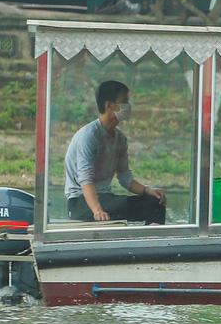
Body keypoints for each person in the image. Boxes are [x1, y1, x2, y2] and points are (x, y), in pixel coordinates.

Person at [64, 80, 166, 223]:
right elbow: (85, 180)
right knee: (124, 205)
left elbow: (124, 176)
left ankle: (152, 241)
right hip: (80, 202)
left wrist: (148, 191)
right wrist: (97, 210)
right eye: (124, 101)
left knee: (155, 203)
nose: (129, 106)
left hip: (106, 198)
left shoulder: (120, 139)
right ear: (109, 105)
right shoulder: (88, 136)